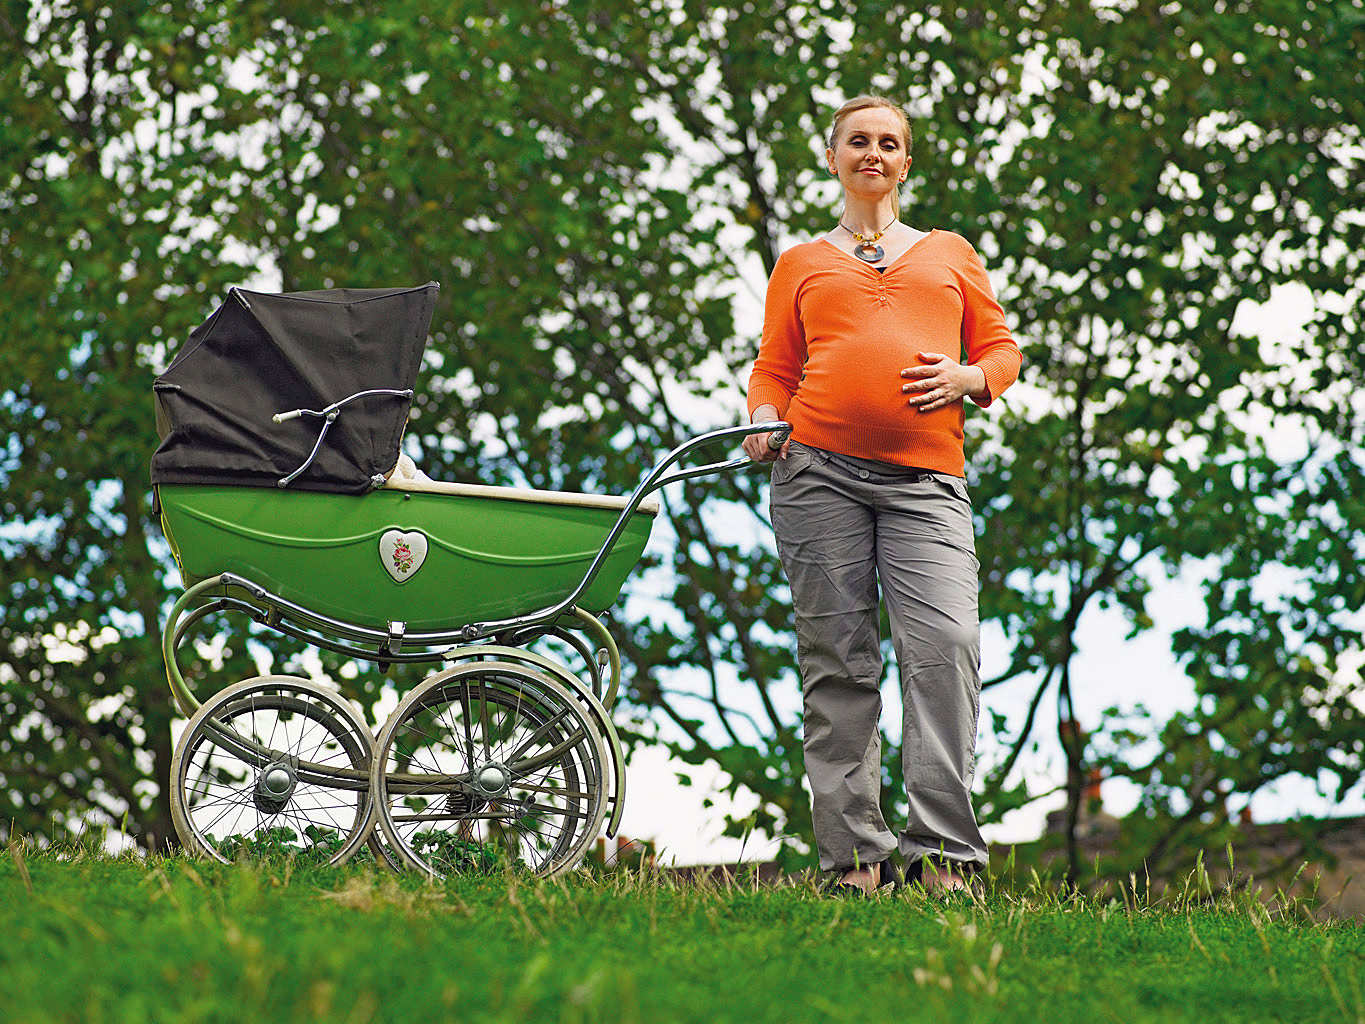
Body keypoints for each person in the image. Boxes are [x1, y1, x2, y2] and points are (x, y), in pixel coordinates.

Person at [742, 96, 1022, 895]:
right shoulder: (799, 262)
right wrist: (761, 417)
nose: (873, 152)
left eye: (888, 143)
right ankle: (855, 860)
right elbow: (774, 367)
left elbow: (1001, 350)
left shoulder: (948, 252)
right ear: (832, 158)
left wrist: (969, 377)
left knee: (946, 649)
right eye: (858, 141)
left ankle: (942, 854)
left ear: (905, 162)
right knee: (838, 660)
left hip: (926, 483)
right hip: (816, 475)